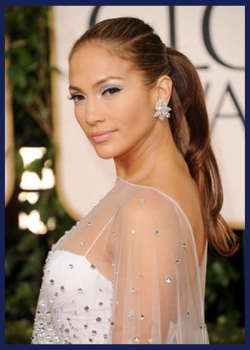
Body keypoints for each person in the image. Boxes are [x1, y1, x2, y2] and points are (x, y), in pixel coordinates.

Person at [31, 17, 239, 344]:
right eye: (78, 96)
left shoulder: (147, 209)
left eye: (109, 90)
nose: (90, 115)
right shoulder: (145, 189)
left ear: (161, 91)